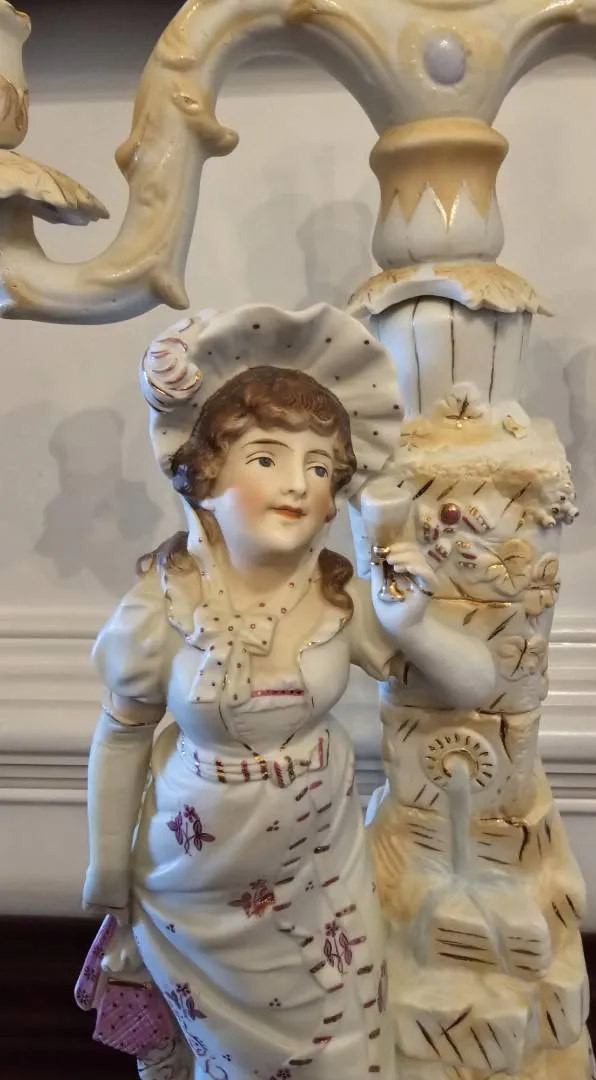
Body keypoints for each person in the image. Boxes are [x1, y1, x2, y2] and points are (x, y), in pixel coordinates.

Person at [81, 303, 496, 1080]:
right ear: (205, 479)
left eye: (320, 466)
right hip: (194, 888)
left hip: (319, 874)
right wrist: (108, 879)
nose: (298, 484)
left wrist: (410, 625)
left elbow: (478, 682)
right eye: (266, 457)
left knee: (339, 1048)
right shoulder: (162, 607)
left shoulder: (339, 600)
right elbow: (123, 735)